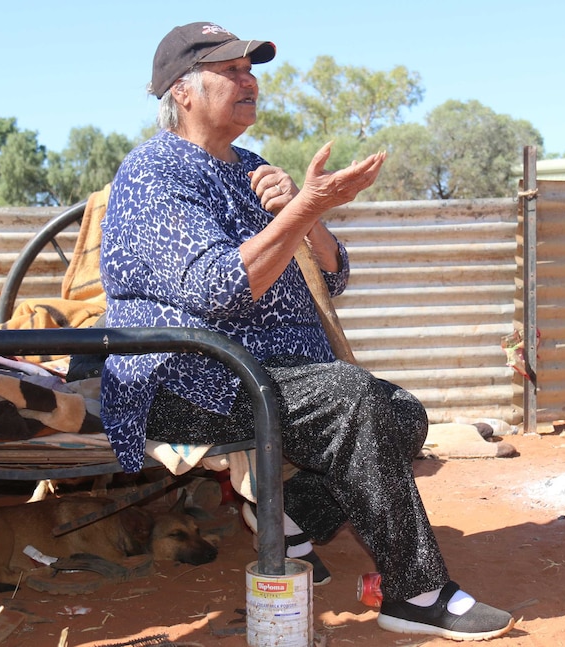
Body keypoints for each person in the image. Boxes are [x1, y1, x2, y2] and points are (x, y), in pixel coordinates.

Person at [99, 21, 515, 641]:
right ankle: (416, 591)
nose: (249, 80)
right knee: (354, 402)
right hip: (190, 377)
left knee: (403, 414)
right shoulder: (156, 174)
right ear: (181, 92)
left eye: (250, 69)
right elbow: (218, 288)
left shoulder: (252, 167)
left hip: (268, 374)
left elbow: (334, 272)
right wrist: (299, 211)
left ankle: (289, 520)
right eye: (231, 70)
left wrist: (307, 212)